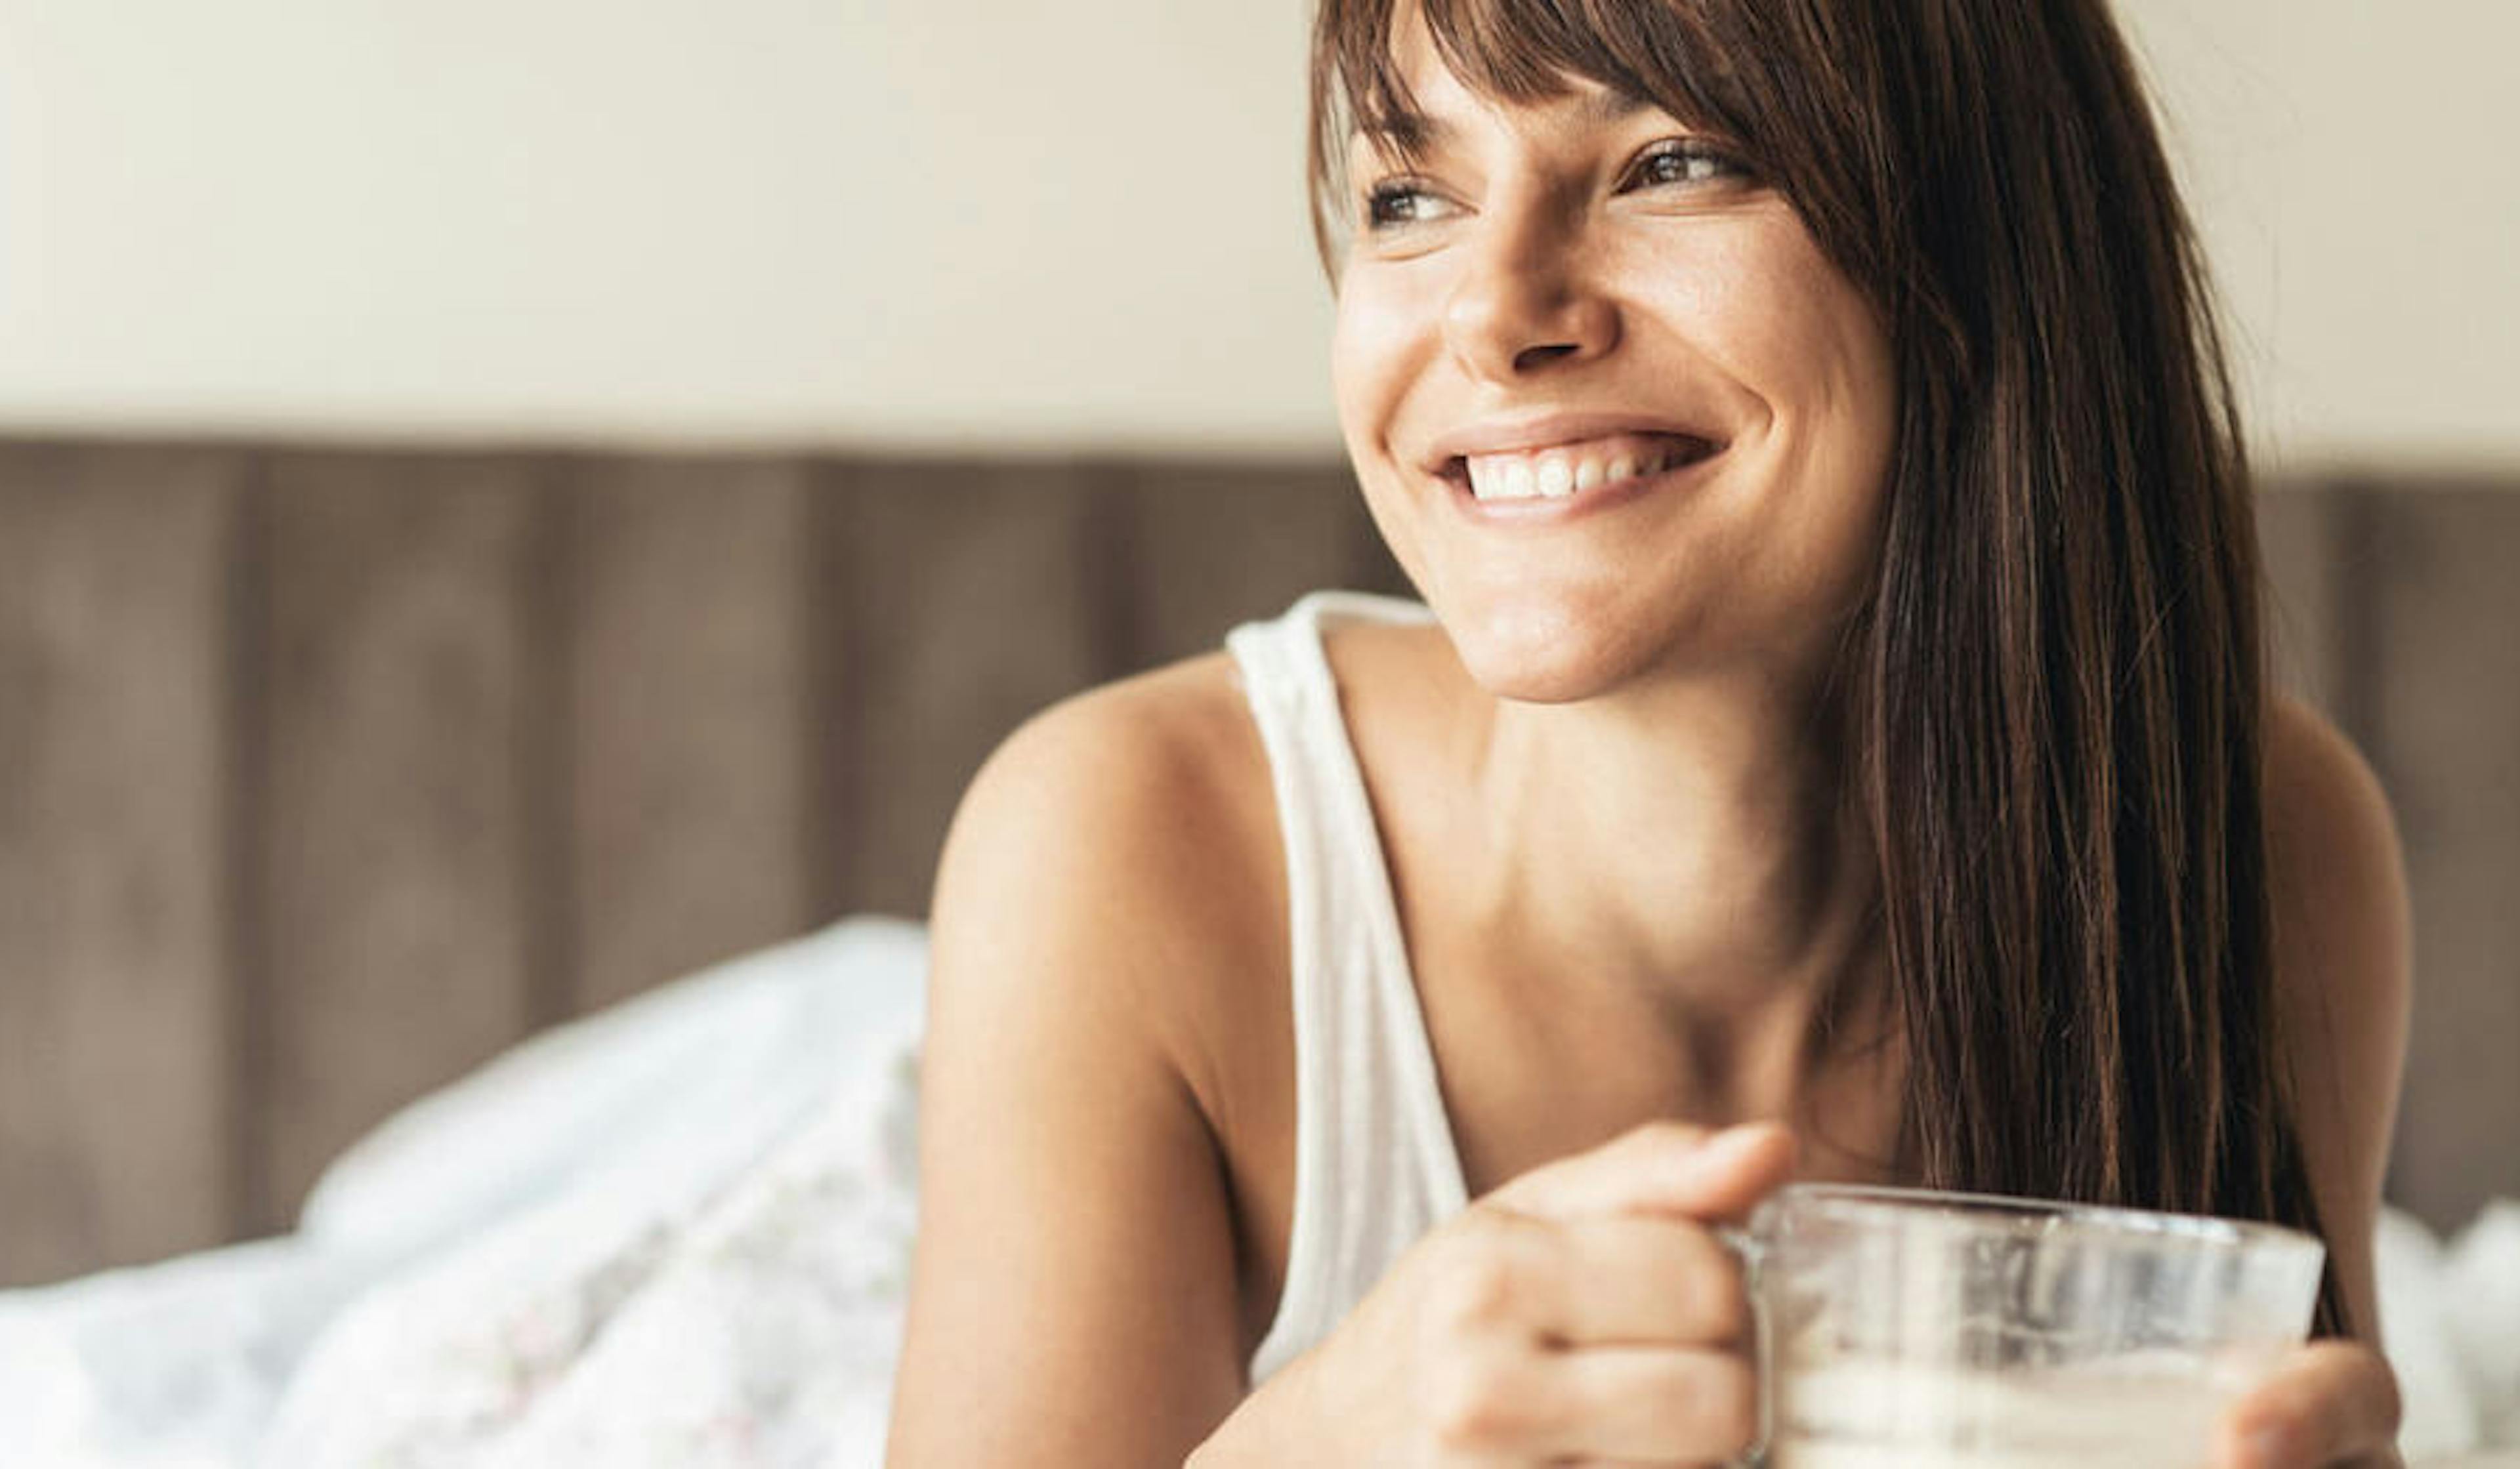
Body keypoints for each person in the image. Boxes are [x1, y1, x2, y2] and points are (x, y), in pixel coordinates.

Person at [885, 0, 2412, 1462]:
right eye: (1410, 194)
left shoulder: (2258, 838)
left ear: (1991, 244)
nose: (1493, 314)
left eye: (1672, 161)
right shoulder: (1127, 844)